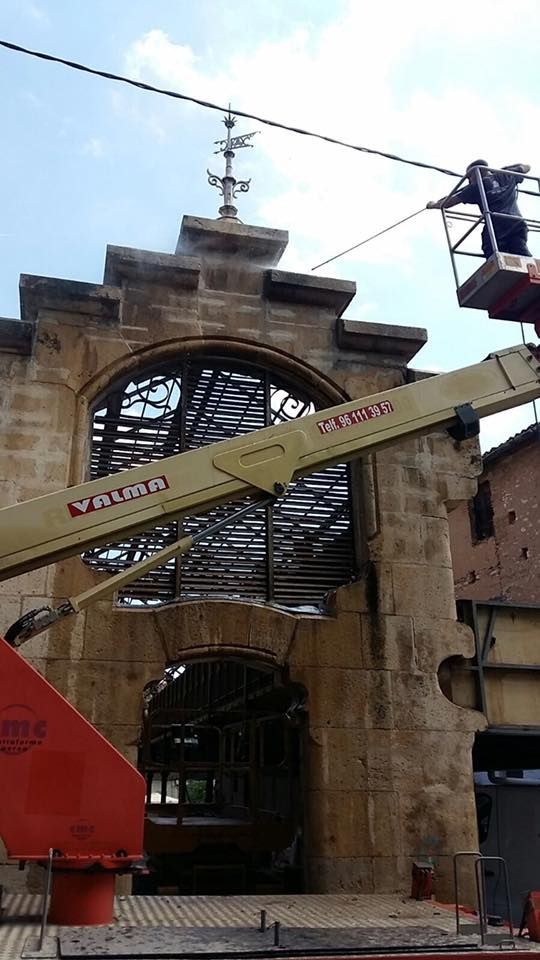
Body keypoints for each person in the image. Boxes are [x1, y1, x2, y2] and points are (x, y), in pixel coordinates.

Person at [427, 160, 532, 258]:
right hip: (516, 223)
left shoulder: (477, 187)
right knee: (519, 248)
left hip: (496, 226)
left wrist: (433, 205)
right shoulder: (506, 175)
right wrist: (505, 170)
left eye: (469, 177)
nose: (469, 181)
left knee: (491, 249)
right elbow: (526, 167)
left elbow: (448, 203)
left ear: (476, 173)